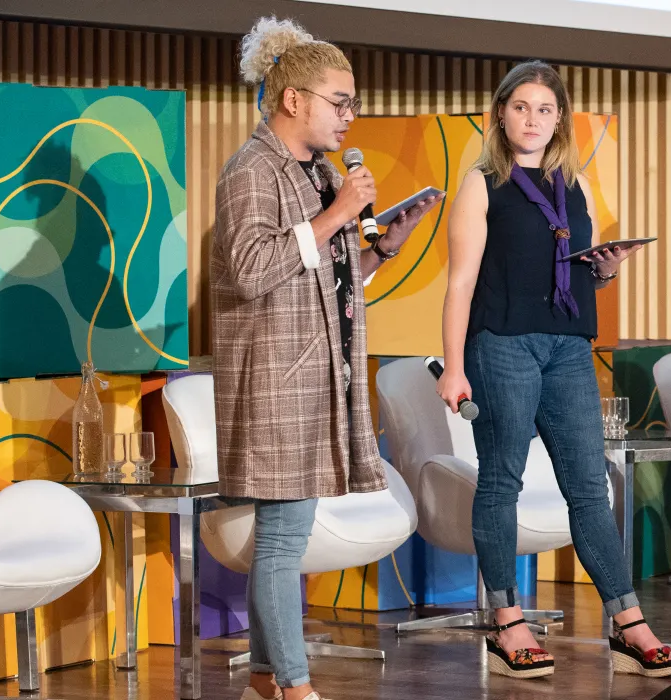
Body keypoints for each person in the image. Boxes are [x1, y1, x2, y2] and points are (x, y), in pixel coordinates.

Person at [211, 17, 438, 700]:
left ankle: (262, 679)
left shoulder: (312, 173)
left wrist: (377, 248)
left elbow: (316, 277)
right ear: (293, 100)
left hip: (313, 376)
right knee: (283, 542)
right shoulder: (252, 170)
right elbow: (251, 270)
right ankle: (297, 687)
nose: (350, 116)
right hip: (275, 380)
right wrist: (340, 213)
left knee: (284, 538)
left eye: (353, 103)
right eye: (341, 102)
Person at [435, 60, 671, 679]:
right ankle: (505, 622)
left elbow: (579, 269)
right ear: (500, 113)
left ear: (560, 119)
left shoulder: (577, 184)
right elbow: (460, 284)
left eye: (546, 110)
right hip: (502, 346)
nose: (533, 120)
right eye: (522, 107)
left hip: (569, 346)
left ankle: (628, 624)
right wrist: (454, 367)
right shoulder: (481, 183)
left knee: (588, 486)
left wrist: (606, 265)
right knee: (502, 481)